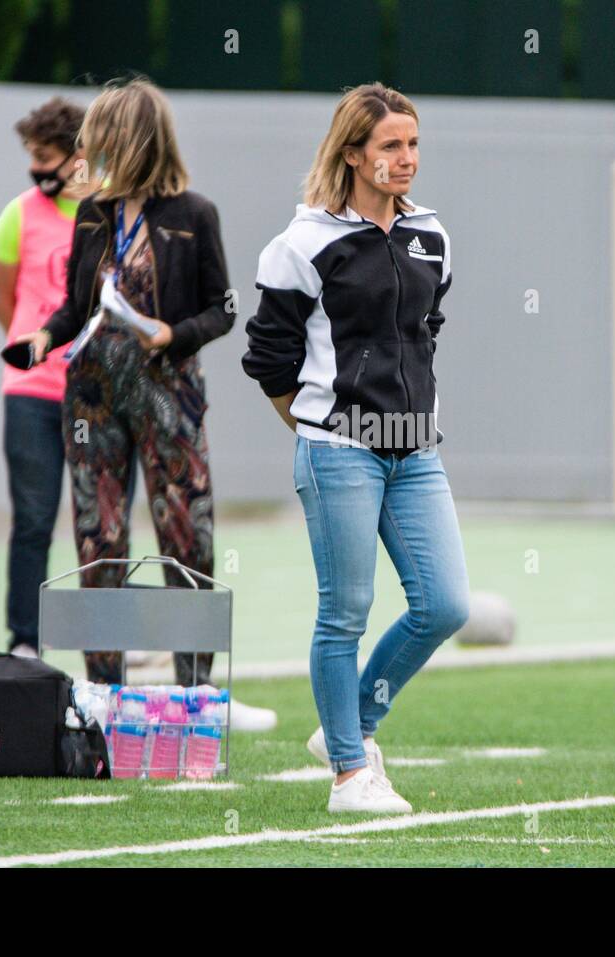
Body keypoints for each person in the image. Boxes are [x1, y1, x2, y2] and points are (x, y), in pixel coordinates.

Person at [13, 77, 276, 732]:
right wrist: (44, 336)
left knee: (186, 533)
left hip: (169, 395)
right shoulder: (93, 215)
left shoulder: (194, 214)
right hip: (93, 396)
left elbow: (223, 309)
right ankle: (105, 690)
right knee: (98, 534)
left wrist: (171, 333)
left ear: (133, 142)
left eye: (102, 139)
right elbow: (77, 306)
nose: (89, 153)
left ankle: (196, 690)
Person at [242, 83, 470, 812]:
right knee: (346, 610)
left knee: (445, 605)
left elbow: (426, 332)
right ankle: (349, 774)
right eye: (390, 147)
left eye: (413, 144)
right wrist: (313, 428)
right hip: (338, 448)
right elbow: (268, 359)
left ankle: (354, 725)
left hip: (416, 450)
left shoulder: (430, 233)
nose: (407, 159)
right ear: (352, 154)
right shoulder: (304, 242)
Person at [0, 96, 103, 658]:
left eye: (46, 157)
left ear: (80, 155)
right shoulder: (18, 214)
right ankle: (25, 643)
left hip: (97, 397)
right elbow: (3, 299)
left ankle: (101, 646)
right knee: (34, 519)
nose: (37, 169)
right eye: (31, 157)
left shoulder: (109, 211)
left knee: (99, 525)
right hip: (32, 394)